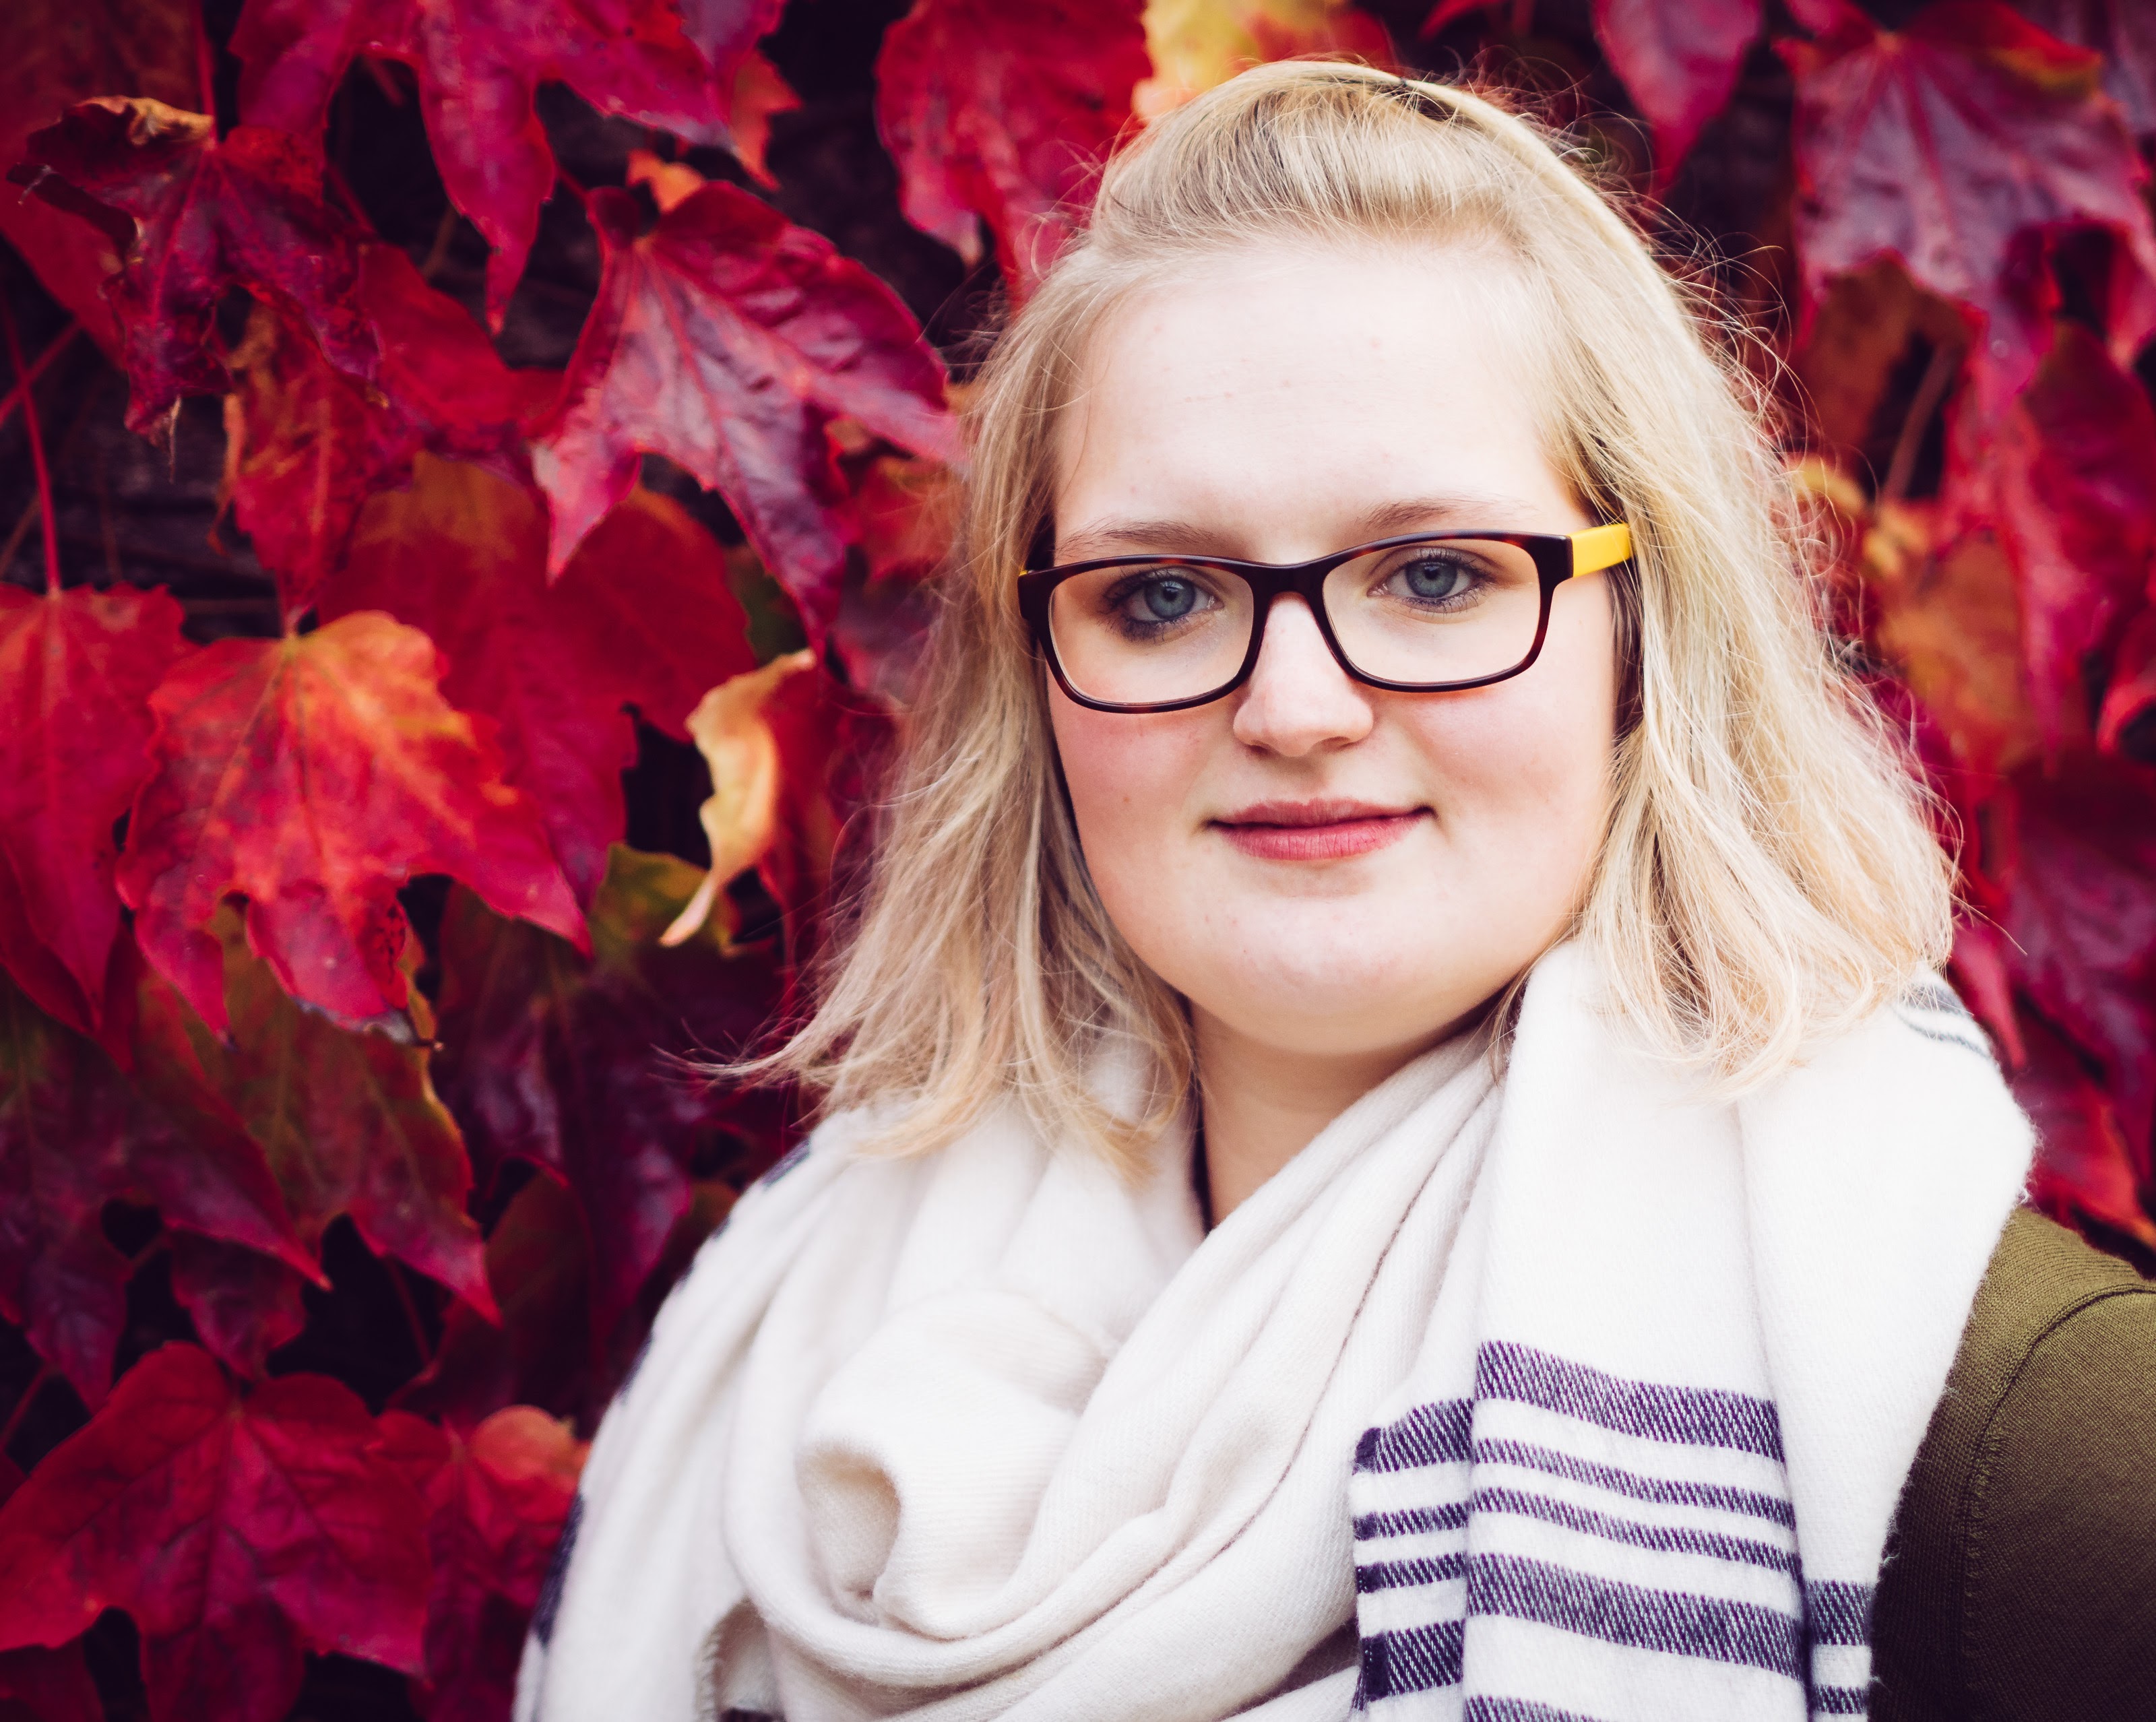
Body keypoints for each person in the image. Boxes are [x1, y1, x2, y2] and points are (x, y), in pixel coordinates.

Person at [516, 62, 2156, 1722]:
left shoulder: (2007, 1443)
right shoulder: (784, 1341)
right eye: (1160, 595)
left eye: (1435, 575)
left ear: (1643, 632)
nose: (1294, 709)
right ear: (1039, 678)